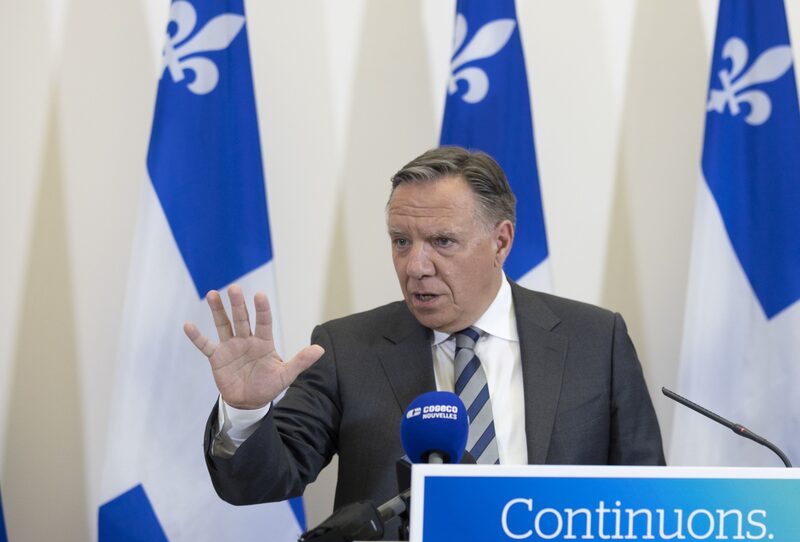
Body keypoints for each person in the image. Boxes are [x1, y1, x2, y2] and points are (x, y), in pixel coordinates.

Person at [184, 146, 665, 517]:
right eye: (401, 241)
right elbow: (258, 484)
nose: (416, 265)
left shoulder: (594, 340)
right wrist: (246, 411)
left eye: (442, 242)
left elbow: (647, 501)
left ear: (500, 241)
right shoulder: (346, 348)